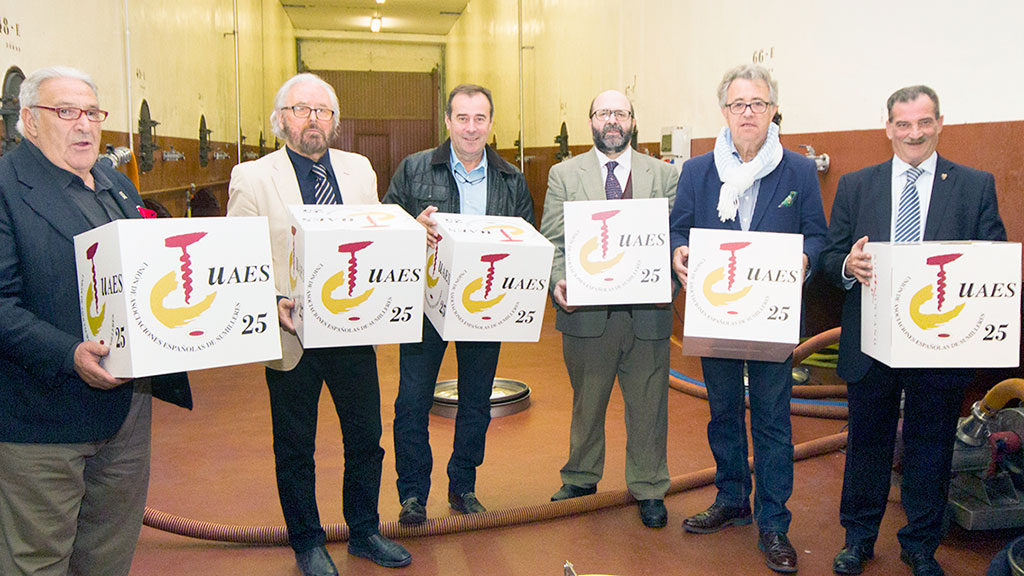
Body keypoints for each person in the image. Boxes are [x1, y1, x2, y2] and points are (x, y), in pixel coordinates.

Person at [0, 66, 191, 576]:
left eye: (92, 112)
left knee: (108, 552)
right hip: (43, 415)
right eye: (66, 111)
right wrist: (68, 354)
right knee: (37, 558)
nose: (84, 124)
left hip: (126, 411)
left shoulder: (114, 182)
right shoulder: (6, 188)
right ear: (29, 120)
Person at [226, 73, 411, 573]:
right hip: (291, 335)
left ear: (335, 121)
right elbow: (235, 259)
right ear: (281, 119)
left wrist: (417, 230)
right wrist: (272, 299)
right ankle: (307, 541)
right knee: (295, 446)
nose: (313, 119)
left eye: (323, 111)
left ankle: (365, 531)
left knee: (366, 438)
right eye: (301, 109)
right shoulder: (253, 176)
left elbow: (377, 241)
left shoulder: (359, 171)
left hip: (353, 329)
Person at [823, 85, 1006, 576]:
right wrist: (848, 263)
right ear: (888, 128)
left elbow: (994, 258)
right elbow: (827, 257)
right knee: (868, 445)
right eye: (903, 124)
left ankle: (920, 546)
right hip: (871, 343)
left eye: (924, 122)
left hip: (939, 343)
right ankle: (858, 540)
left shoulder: (974, 185)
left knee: (931, 446)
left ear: (940, 123)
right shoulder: (857, 186)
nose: (914, 133)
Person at [669, 65, 827, 573]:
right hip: (715, 315)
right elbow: (677, 232)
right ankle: (732, 499)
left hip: (771, 317)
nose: (748, 113)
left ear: (773, 109)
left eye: (758, 103)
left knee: (774, 421)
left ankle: (774, 523)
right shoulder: (697, 171)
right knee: (721, 412)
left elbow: (819, 237)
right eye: (739, 104)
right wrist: (677, 254)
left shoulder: (798, 171)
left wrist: (804, 261)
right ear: (724, 112)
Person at [383, 84, 534, 524]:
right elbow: (386, 225)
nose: (471, 128)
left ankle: (463, 485)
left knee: (475, 403)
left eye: (480, 119)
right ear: (446, 121)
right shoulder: (413, 170)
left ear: (491, 124)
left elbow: (526, 239)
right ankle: (412, 494)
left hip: (484, 306)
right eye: (462, 118)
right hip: (423, 306)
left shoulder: (511, 179)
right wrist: (412, 226)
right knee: (410, 402)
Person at [539, 89, 679, 528]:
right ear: (591, 122)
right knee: (587, 402)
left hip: (648, 314)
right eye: (604, 113)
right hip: (586, 316)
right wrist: (556, 280)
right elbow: (553, 240)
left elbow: (677, 242)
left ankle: (650, 486)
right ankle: (580, 477)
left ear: (634, 121)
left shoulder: (665, 175)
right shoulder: (564, 175)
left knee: (650, 404)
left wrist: (671, 281)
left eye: (620, 113)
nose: (612, 121)